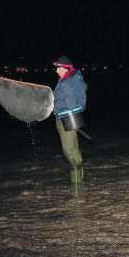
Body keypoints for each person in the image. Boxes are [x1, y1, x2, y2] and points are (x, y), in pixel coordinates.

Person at [52, 55, 88, 184]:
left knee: (69, 150)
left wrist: (73, 110)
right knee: (72, 149)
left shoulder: (74, 79)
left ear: (66, 68)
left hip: (69, 117)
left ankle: (77, 185)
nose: (56, 71)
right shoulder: (63, 80)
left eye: (58, 68)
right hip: (60, 117)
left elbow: (81, 100)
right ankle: (81, 181)